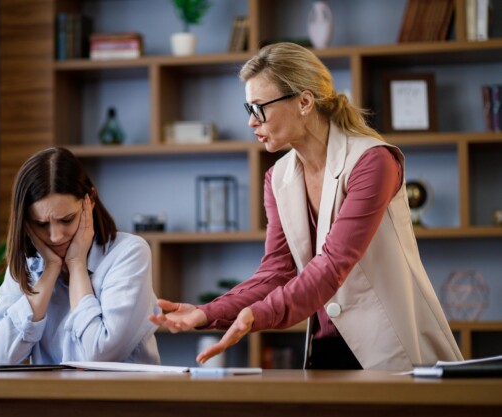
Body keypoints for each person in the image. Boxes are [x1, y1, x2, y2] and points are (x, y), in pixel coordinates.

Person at [150, 42, 463, 371]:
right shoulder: (277, 177)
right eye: (248, 109)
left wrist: (258, 314)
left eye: (259, 108)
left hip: (393, 350)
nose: (251, 122)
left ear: (304, 102)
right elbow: (276, 273)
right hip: (324, 350)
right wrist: (207, 313)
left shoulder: (373, 162)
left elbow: (332, 265)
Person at [0, 147, 160, 365]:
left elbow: (98, 354)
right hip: (49, 397)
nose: (56, 236)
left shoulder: (129, 253)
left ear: (90, 200)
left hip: (117, 398)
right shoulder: (27, 264)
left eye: (67, 219)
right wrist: (50, 269)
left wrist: (77, 264)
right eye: (41, 224)